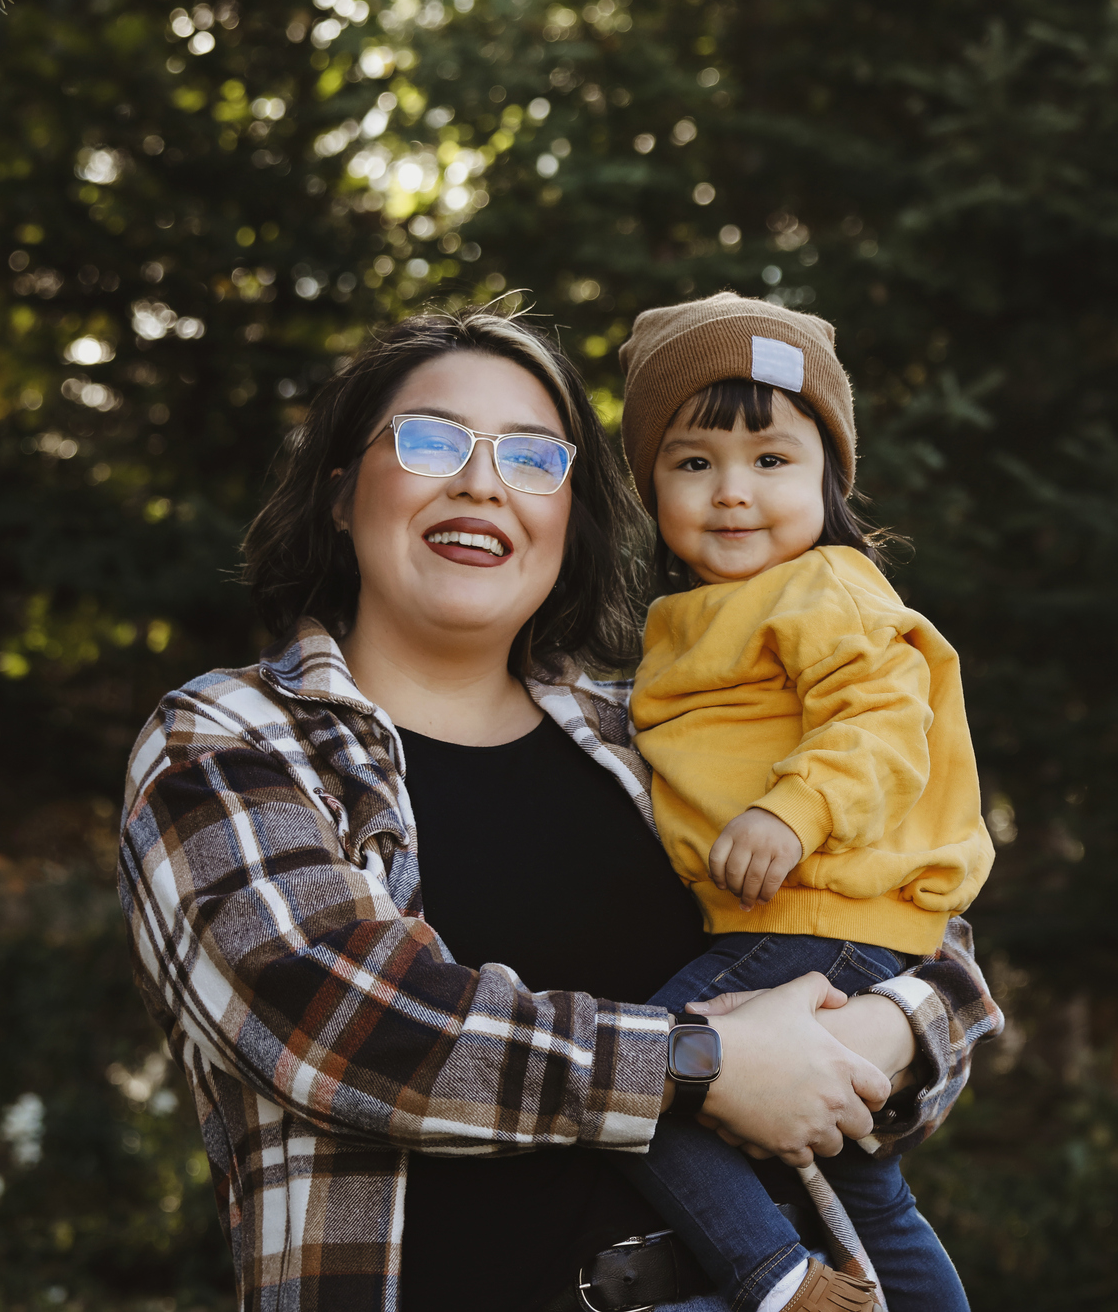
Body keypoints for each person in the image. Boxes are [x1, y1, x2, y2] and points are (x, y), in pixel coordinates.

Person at [114, 304, 1003, 1312]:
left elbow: (920, 937)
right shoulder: (230, 741)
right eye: (431, 440)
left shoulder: (644, 739)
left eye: (533, 457)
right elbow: (337, 1020)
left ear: (568, 513)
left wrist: (888, 1031)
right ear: (337, 490)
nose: (482, 481)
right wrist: (699, 1066)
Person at [607, 294, 993, 1312]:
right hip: (811, 922)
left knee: (646, 1079)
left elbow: (880, 720)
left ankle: (774, 1278)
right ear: (650, 484)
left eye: (772, 461)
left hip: (813, 912)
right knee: (865, 1178)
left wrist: (790, 813)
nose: (733, 492)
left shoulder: (826, 586)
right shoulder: (684, 618)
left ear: (830, 479)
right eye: (694, 463)